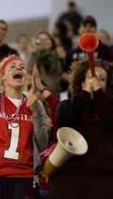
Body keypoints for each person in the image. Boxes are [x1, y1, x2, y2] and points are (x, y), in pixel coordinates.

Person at [0, 55, 49, 199]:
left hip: (24, 175)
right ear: (3, 77)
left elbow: (43, 145)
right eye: (13, 67)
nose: (19, 68)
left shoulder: (36, 103)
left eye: (22, 67)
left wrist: (35, 112)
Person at [50, 60, 113, 199]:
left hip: (104, 177)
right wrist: (85, 94)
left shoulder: (108, 105)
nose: (96, 81)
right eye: (91, 77)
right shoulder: (67, 105)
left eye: (101, 79)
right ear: (82, 83)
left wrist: (98, 94)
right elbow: (64, 121)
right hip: (71, 175)